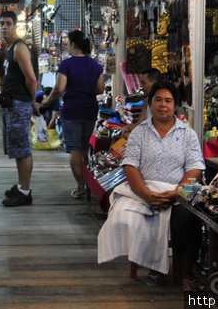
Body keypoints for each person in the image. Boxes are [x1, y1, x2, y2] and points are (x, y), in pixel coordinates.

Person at [97, 81, 205, 291]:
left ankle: (186, 270)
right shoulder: (139, 133)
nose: (163, 105)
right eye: (158, 100)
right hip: (143, 191)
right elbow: (130, 167)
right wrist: (147, 196)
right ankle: (154, 266)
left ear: (175, 105)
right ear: (150, 103)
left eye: (168, 100)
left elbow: (195, 169)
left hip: (180, 191)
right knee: (126, 214)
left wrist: (177, 193)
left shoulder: (187, 134)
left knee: (188, 216)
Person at [38, 30, 104, 198]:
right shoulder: (95, 65)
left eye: (68, 43)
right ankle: (89, 185)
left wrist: (46, 102)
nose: (67, 46)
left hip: (72, 110)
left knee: (74, 150)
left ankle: (80, 186)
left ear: (73, 44)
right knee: (85, 150)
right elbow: (100, 89)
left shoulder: (66, 65)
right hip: (90, 109)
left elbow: (59, 89)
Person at [0, 10, 39, 207]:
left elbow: (31, 79)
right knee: (17, 149)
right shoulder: (10, 48)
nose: (4, 27)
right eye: (2, 23)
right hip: (12, 105)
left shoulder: (20, 48)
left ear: (15, 26)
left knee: (23, 149)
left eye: (8, 23)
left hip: (19, 105)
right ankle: (22, 185)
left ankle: (26, 191)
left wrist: (32, 101)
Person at [121, 68, 161, 139]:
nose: (141, 87)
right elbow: (139, 125)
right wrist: (127, 128)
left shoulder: (162, 104)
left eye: (143, 83)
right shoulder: (147, 102)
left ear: (154, 84)